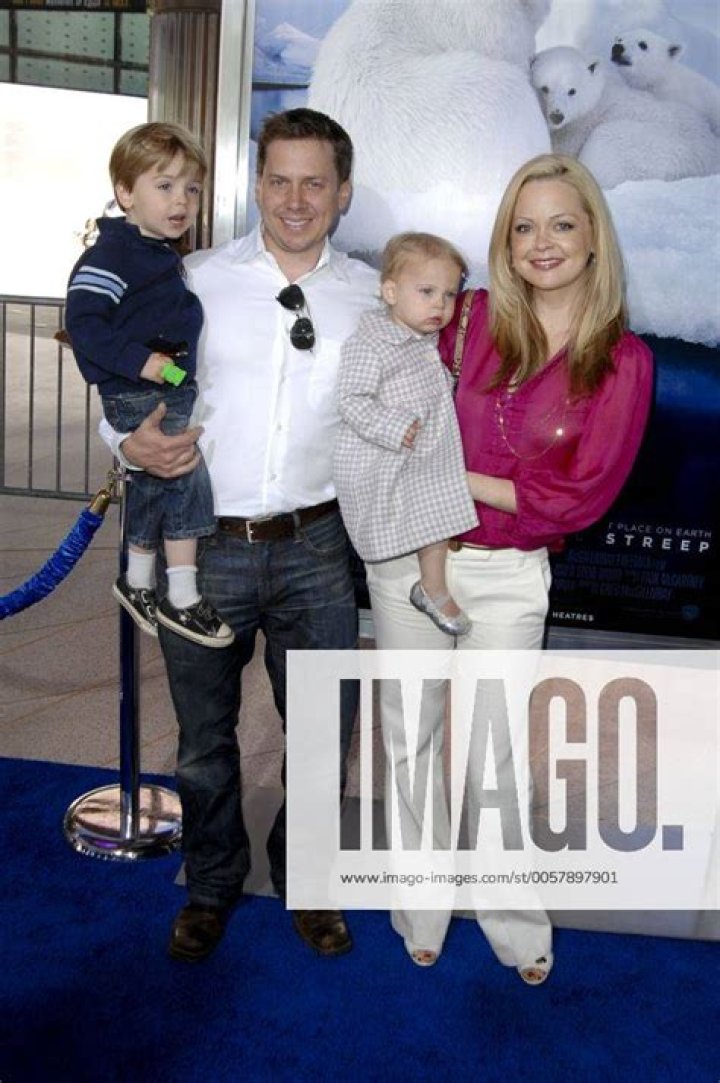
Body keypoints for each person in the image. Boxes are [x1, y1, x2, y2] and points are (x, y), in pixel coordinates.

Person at [365, 154, 654, 979]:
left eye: (561, 223)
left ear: (594, 236)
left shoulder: (623, 360)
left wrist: (457, 477)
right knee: (410, 738)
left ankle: (513, 919)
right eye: (524, 226)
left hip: (508, 573)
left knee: (493, 751)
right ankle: (420, 903)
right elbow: (381, 380)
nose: (541, 242)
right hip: (415, 559)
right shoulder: (469, 317)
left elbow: (578, 498)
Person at [101, 109, 379, 962]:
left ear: (343, 193)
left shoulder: (374, 296)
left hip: (318, 549)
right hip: (203, 545)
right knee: (203, 740)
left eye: (315, 182)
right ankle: (213, 882)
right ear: (256, 184)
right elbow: (118, 377)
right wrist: (125, 443)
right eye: (279, 180)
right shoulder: (191, 279)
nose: (295, 199)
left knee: (323, 732)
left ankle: (308, 881)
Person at [66, 122, 233, 648]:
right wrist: (142, 363)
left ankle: (138, 581)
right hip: (138, 389)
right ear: (125, 192)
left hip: (163, 385)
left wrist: (173, 372)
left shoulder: (157, 252)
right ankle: (180, 594)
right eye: (164, 186)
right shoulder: (113, 255)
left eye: (191, 188)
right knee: (185, 480)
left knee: (157, 483)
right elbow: (84, 325)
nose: (181, 200)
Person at [334, 232, 478, 636]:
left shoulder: (424, 341)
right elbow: (351, 399)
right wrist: (394, 427)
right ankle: (422, 586)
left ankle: (432, 586)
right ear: (391, 292)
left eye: (449, 295)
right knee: (416, 516)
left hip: (420, 453)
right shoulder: (372, 342)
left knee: (438, 517)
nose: (440, 305)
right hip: (382, 456)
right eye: (427, 292)